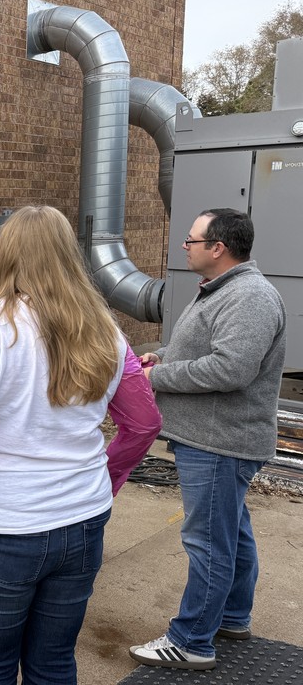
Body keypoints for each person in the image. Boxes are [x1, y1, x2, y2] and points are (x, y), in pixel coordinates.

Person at [0, 205, 162, 684]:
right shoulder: (104, 329)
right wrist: (102, 482)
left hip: (3, 524)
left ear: (5, 258)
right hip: (82, 518)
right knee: (53, 662)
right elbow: (143, 421)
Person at [129, 208, 286, 672]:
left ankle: (192, 640)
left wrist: (159, 376)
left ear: (218, 247)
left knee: (208, 544)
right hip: (213, 439)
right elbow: (213, 352)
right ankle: (232, 617)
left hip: (220, 443)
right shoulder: (224, 291)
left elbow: (232, 369)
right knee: (232, 536)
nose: (185, 246)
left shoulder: (249, 296)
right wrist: (165, 354)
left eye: (191, 240)